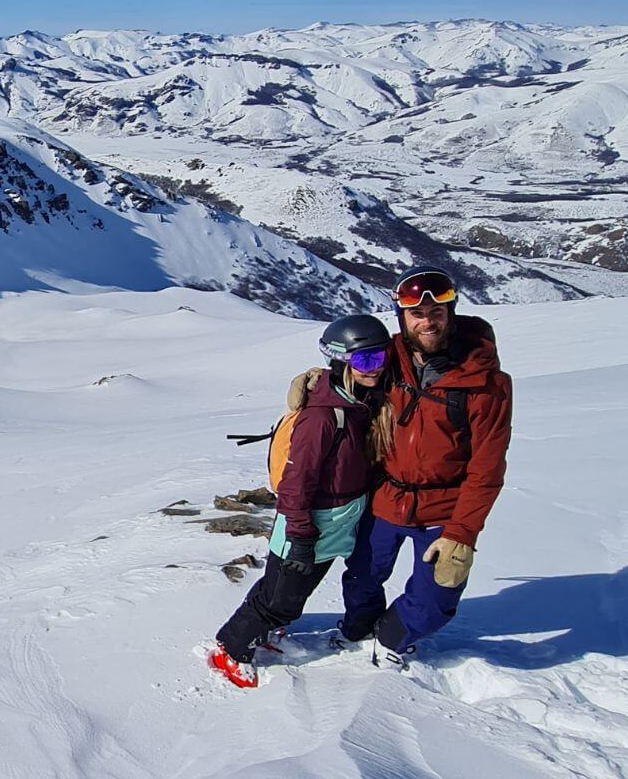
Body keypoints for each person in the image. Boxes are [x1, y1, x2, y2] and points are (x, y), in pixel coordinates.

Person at [337, 266, 514, 665]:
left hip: (443, 507)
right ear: (403, 317)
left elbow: (488, 465)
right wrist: (315, 380)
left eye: (437, 312)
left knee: (437, 597)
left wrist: (463, 532)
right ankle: (358, 629)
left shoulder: (486, 384)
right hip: (385, 497)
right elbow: (351, 372)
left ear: (450, 312)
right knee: (362, 575)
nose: (427, 321)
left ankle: (392, 637)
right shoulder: (389, 360)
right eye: (417, 314)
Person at [209, 314, 394, 688]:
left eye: (380, 358)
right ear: (342, 360)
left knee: (295, 590)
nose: (374, 369)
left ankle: (266, 632)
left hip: (341, 518)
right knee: (279, 597)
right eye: (364, 361)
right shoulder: (322, 418)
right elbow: (296, 482)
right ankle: (230, 648)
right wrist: (301, 531)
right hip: (311, 521)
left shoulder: (359, 404)